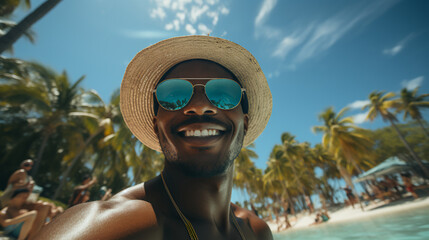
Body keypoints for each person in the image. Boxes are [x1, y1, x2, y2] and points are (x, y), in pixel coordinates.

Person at [35, 35, 273, 239]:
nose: (199, 106)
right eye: (174, 94)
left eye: (222, 93)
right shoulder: (120, 224)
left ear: (245, 122)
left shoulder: (256, 231)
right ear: (156, 126)